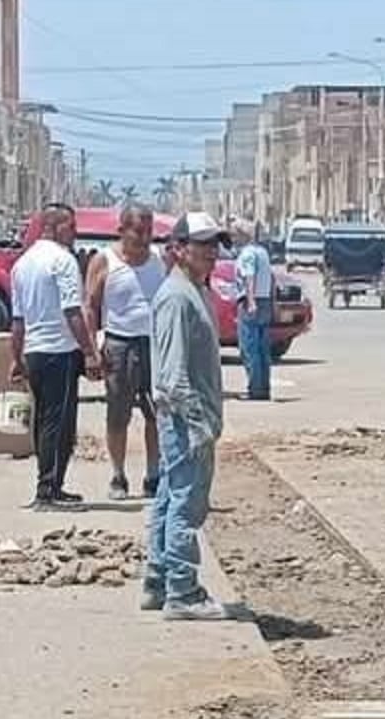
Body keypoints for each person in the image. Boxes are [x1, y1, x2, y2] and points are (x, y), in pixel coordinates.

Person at [144, 212, 233, 621]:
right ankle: (183, 591)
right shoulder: (177, 297)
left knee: (170, 496)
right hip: (185, 419)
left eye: (215, 245)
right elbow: (173, 376)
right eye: (203, 245)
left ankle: (158, 580)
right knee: (186, 503)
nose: (212, 253)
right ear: (178, 249)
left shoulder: (194, 291)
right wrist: (199, 424)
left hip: (186, 417)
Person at [8, 203, 104, 508]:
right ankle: (47, 488)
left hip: (35, 351)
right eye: (71, 226)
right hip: (59, 351)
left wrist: (17, 357)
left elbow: (18, 320)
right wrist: (89, 352)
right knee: (57, 423)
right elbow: (72, 311)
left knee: (46, 421)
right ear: (53, 226)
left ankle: (53, 485)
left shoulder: (22, 264)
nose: (75, 232)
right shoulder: (63, 260)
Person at [85, 203, 167, 500]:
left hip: (154, 345)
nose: (144, 238)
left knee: (156, 414)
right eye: (138, 231)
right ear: (122, 230)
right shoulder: (104, 261)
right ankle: (118, 475)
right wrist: (91, 351)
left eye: (149, 231)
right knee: (118, 415)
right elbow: (90, 307)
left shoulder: (159, 260)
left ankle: (153, 474)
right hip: (119, 345)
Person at [232, 218, 274, 401]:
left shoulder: (248, 254)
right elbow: (271, 279)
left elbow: (250, 277)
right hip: (265, 300)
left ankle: (255, 389)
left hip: (252, 301)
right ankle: (264, 387)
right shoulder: (263, 252)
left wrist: (250, 301)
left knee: (249, 348)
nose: (233, 239)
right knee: (263, 348)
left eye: (235, 235)